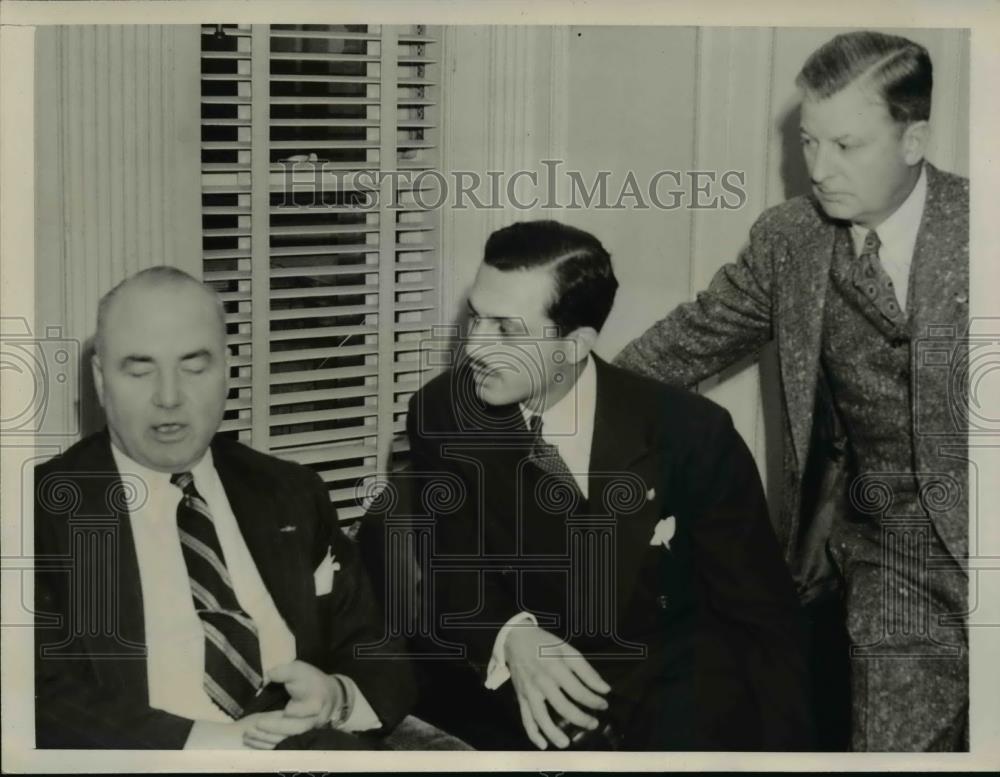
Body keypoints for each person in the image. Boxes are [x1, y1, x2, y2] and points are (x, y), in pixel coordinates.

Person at [614, 31, 969, 752]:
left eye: (846, 145)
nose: (819, 169)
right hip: (891, 564)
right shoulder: (791, 241)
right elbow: (685, 342)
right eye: (809, 142)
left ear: (914, 138)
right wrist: (569, 394)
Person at [405, 220, 811, 750]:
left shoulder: (691, 433)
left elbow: (761, 621)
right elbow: (449, 569)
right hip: (512, 686)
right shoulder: (441, 414)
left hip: (667, 695)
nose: (474, 348)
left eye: (505, 330)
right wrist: (514, 636)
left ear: (574, 346)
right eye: (474, 319)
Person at [34, 266, 415, 749]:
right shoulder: (35, 514)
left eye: (194, 367)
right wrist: (214, 745)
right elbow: (35, 699)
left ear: (228, 370)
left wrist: (335, 696)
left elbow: (378, 652)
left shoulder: (291, 491)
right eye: (140, 368)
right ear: (99, 378)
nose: (168, 398)